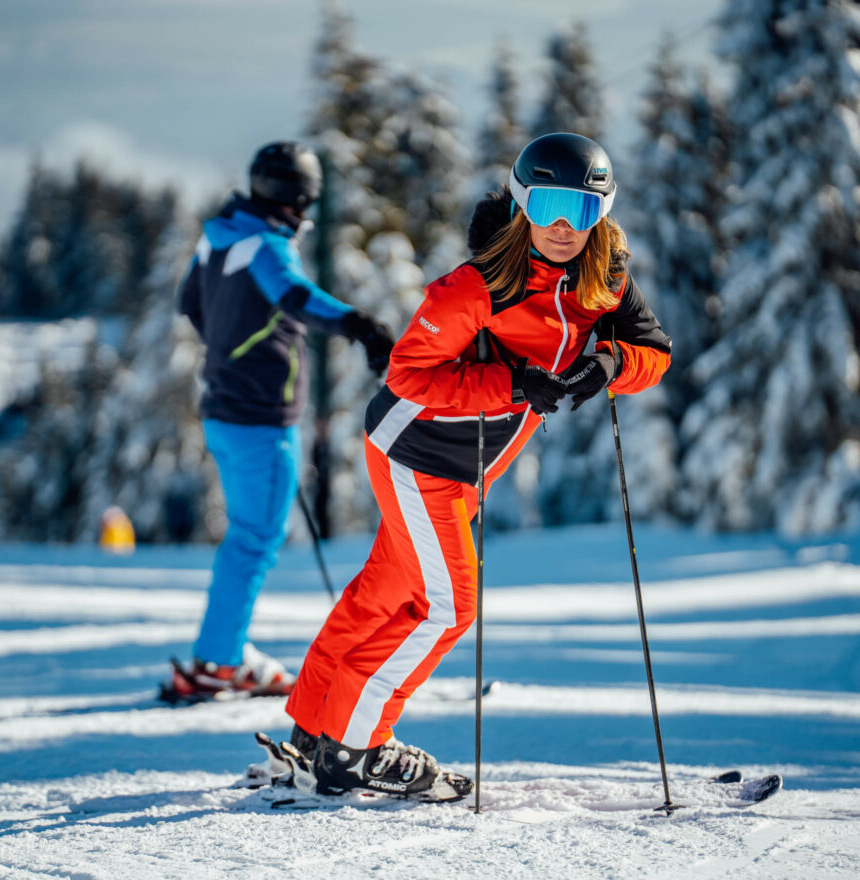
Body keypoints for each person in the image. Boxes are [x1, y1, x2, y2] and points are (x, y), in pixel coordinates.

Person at [274, 132, 673, 798]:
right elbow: (407, 375)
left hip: (468, 468)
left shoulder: (605, 277)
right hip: (416, 451)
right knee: (447, 607)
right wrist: (512, 384)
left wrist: (610, 364)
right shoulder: (479, 284)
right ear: (521, 203)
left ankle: (315, 727)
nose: (563, 227)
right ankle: (354, 745)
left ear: (601, 213)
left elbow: (653, 351)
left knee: (387, 591)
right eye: (547, 206)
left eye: (580, 209)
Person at [165, 141, 394, 702]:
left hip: (225, 408)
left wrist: (234, 344)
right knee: (254, 538)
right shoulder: (266, 244)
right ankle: (217, 662)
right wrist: (361, 326)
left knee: (249, 535)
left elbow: (189, 303)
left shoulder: (220, 235)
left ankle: (221, 653)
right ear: (301, 199)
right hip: (259, 416)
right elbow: (296, 296)